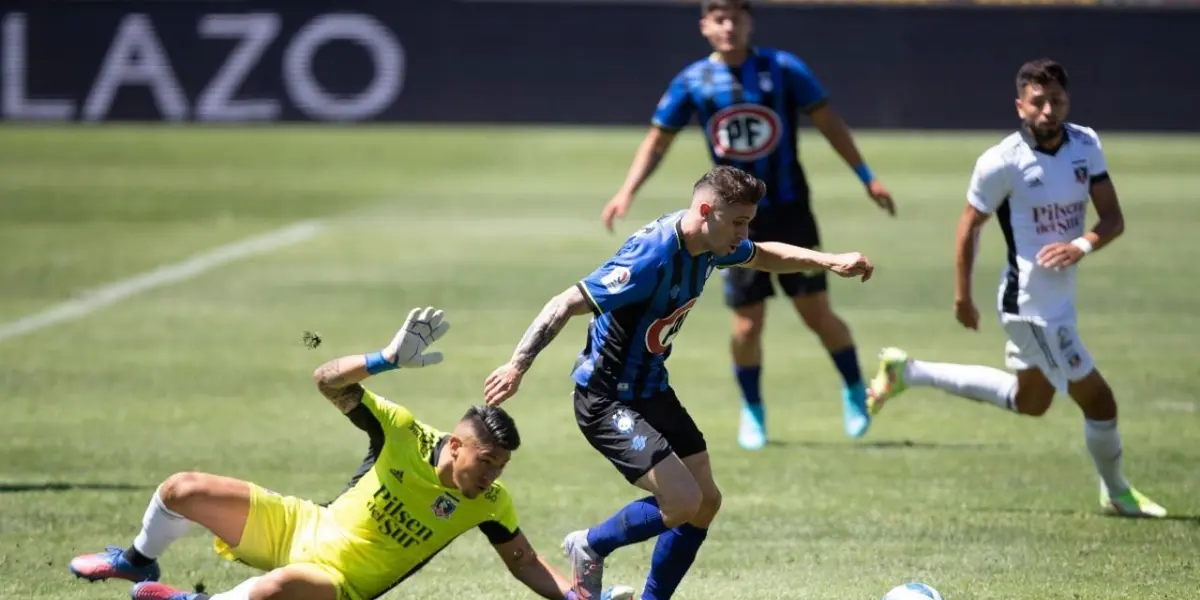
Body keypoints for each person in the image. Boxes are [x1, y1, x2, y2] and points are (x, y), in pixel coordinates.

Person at [483, 166, 875, 600]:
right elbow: (564, 303)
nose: (743, 233)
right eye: (739, 222)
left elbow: (762, 255)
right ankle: (591, 545)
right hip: (606, 398)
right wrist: (517, 365)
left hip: (651, 388)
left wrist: (829, 260)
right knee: (683, 501)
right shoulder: (650, 257)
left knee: (706, 502)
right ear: (706, 211)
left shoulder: (711, 242)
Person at [68, 307, 636, 600]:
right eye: (487, 461)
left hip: (337, 585)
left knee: (274, 590)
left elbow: (526, 564)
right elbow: (327, 380)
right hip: (298, 526)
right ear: (457, 445)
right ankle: (137, 561)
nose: (491, 476)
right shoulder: (403, 432)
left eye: (501, 468)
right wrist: (386, 358)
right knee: (181, 488)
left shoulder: (490, 502)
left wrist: (585, 596)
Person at [865, 58, 1166, 518]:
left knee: (1031, 402)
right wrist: (962, 295)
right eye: (1038, 102)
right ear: (1020, 106)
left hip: (1059, 300)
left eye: (1057, 100)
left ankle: (909, 372)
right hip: (1029, 305)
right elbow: (969, 227)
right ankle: (1117, 491)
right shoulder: (1001, 161)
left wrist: (1080, 245)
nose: (1048, 110)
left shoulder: (1086, 144)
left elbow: (1113, 218)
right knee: (1100, 401)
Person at [600, 0, 895, 449]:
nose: (728, 26)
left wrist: (866, 175)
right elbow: (658, 140)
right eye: (718, 18)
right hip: (729, 221)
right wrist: (627, 190)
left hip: (790, 210)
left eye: (735, 18)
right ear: (704, 26)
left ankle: (856, 389)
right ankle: (753, 410)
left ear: (749, 22)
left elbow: (829, 122)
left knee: (815, 313)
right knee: (746, 325)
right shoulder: (693, 81)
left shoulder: (783, 69)